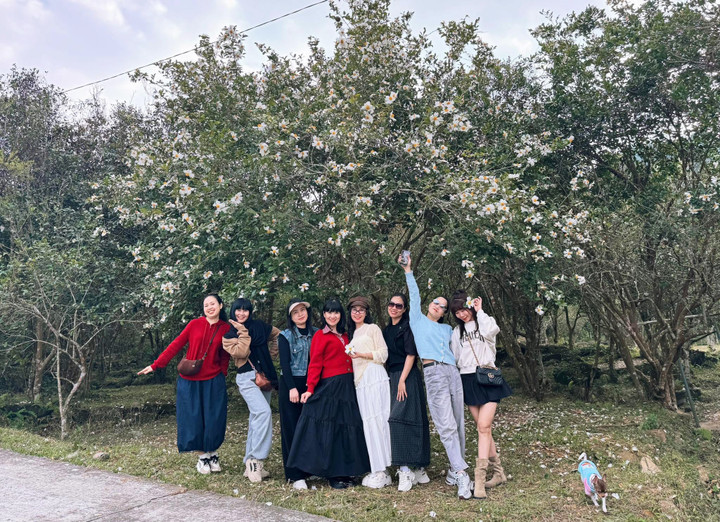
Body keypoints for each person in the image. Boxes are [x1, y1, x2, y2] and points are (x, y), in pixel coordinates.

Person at [399, 254, 472, 500]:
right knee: (446, 425)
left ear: (443, 313)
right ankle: (462, 473)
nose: (437, 306)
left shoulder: (448, 329)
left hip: (453, 373)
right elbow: (414, 296)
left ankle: (454, 468)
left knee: (458, 423)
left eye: (442, 306)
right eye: (435, 302)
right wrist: (408, 270)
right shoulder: (417, 321)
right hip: (433, 373)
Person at [137, 293, 234, 475]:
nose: (209, 307)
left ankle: (213, 454)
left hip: (214, 380)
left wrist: (223, 373)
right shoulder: (194, 324)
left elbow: (225, 355)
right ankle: (202, 457)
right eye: (206, 305)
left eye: (212, 303)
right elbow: (176, 344)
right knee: (193, 419)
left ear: (220, 305)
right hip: (190, 381)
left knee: (214, 419)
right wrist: (156, 365)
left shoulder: (226, 328)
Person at [287, 298, 370, 489]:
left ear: (341, 315)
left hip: (348, 386)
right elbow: (315, 363)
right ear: (324, 315)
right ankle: (332, 475)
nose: (333, 316)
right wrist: (310, 388)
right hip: (330, 386)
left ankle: (345, 472)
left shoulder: (347, 335)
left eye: (336, 312)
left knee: (346, 429)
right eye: (329, 312)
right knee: (330, 430)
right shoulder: (320, 335)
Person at [449, 290, 512, 499]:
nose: (461, 314)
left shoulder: (483, 323)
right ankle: (499, 473)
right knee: (483, 429)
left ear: (470, 306)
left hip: (488, 377)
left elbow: (493, 330)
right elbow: (456, 357)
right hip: (468, 380)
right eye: (457, 312)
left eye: (463, 309)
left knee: (484, 427)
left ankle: (480, 480)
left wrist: (480, 311)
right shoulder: (456, 332)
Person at [222, 297, 280, 483]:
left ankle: (250, 462)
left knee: (256, 418)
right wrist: (242, 331)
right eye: (238, 310)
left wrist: (272, 354)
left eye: (245, 310)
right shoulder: (229, 336)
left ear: (250, 311)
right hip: (247, 378)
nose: (241, 313)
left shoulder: (260, 326)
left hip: (265, 376)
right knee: (263, 412)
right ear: (233, 311)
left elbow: (278, 335)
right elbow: (241, 352)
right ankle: (256, 460)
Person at [382, 293, 431, 492]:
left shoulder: (408, 327)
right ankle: (408, 467)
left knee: (405, 418)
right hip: (392, 376)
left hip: (407, 376)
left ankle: (411, 468)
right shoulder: (386, 330)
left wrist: (402, 380)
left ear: (404, 309)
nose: (394, 308)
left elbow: (411, 354)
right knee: (399, 419)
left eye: (399, 306)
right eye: (392, 304)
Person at [346, 296, 392, 489]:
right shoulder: (350, 335)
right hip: (360, 381)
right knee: (368, 422)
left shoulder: (372, 329)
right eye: (354, 310)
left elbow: (383, 354)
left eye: (361, 310)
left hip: (374, 375)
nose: (358, 313)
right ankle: (377, 466)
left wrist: (362, 355)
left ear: (366, 312)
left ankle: (383, 469)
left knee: (378, 420)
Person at [277, 298, 318, 490]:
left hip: (311, 384)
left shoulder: (316, 333)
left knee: (309, 427)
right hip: (291, 384)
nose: (300, 314)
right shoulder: (285, 336)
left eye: (303, 310)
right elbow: (285, 364)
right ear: (290, 317)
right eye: (295, 312)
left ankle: (308, 469)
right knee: (291, 427)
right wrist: (292, 388)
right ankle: (294, 474)